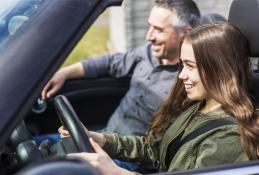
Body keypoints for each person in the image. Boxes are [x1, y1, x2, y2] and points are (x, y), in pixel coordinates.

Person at [60, 22, 259, 174]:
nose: (181, 75)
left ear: (219, 70)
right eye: (182, 65)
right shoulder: (198, 107)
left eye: (190, 66)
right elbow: (154, 149)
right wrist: (100, 140)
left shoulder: (228, 137)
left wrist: (116, 171)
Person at [41, 0, 201, 136]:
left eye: (158, 30)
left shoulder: (192, 82)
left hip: (128, 161)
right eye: (149, 27)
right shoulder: (146, 52)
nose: (149, 37)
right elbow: (110, 63)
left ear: (186, 33)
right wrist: (63, 73)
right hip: (103, 136)